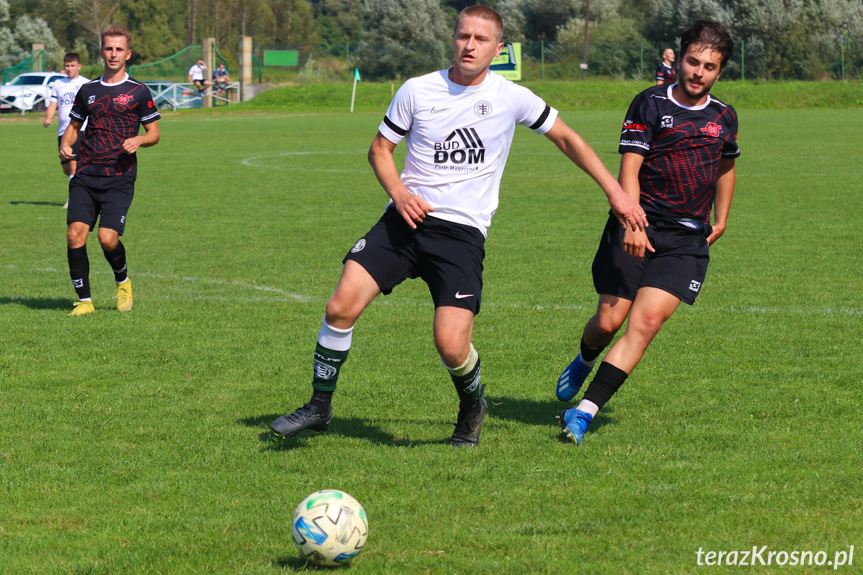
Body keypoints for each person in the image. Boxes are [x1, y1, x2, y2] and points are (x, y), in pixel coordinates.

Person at [271, 6, 647, 447]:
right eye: (463, 36)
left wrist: (616, 193)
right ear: (453, 38)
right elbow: (379, 150)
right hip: (403, 222)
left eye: (481, 39)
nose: (470, 45)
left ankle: (472, 406)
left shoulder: (512, 97)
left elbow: (567, 138)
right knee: (340, 307)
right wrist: (399, 193)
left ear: (498, 48)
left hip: (461, 236)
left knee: (451, 346)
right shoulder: (417, 90)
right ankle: (319, 406)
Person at [555, 20, 740, 445]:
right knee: (609, 319)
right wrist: (633, 224)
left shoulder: (724, 116)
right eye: (693, 61)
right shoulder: (650, 103)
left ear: (719, 71)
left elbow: (726, 167)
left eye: (709, 66)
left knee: (647, 321)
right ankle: (585, 357)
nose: (698, 71)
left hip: (686, 240)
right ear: (681, 58)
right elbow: (630, 170)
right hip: (637, 223)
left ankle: (583, 413)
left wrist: (723, 218)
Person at [61, 24, 161, 316]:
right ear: (102, 51)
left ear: (128, 53)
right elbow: (73, 127)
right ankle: (85, 302)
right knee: (74, 235)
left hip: (119, 176)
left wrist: (140, 139)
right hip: (85, 174)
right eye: (108, 48)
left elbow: (154, 133)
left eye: (119, 49)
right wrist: (67, 145)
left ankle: (123, 281)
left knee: (107, 238)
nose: (113, 54)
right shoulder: (87, 90)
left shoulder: (139, 92)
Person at [43, 53, 89, 208]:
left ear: (79, 66)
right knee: (66, 168)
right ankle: (84, 188)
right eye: (67, 66)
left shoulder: (86, 84)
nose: (69, 69)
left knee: (74, 165)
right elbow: (53, 104)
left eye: (72, 66)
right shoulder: (58, 84)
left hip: (79, 129)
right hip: (62, 131)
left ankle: (73, 199)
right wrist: (48, 118)